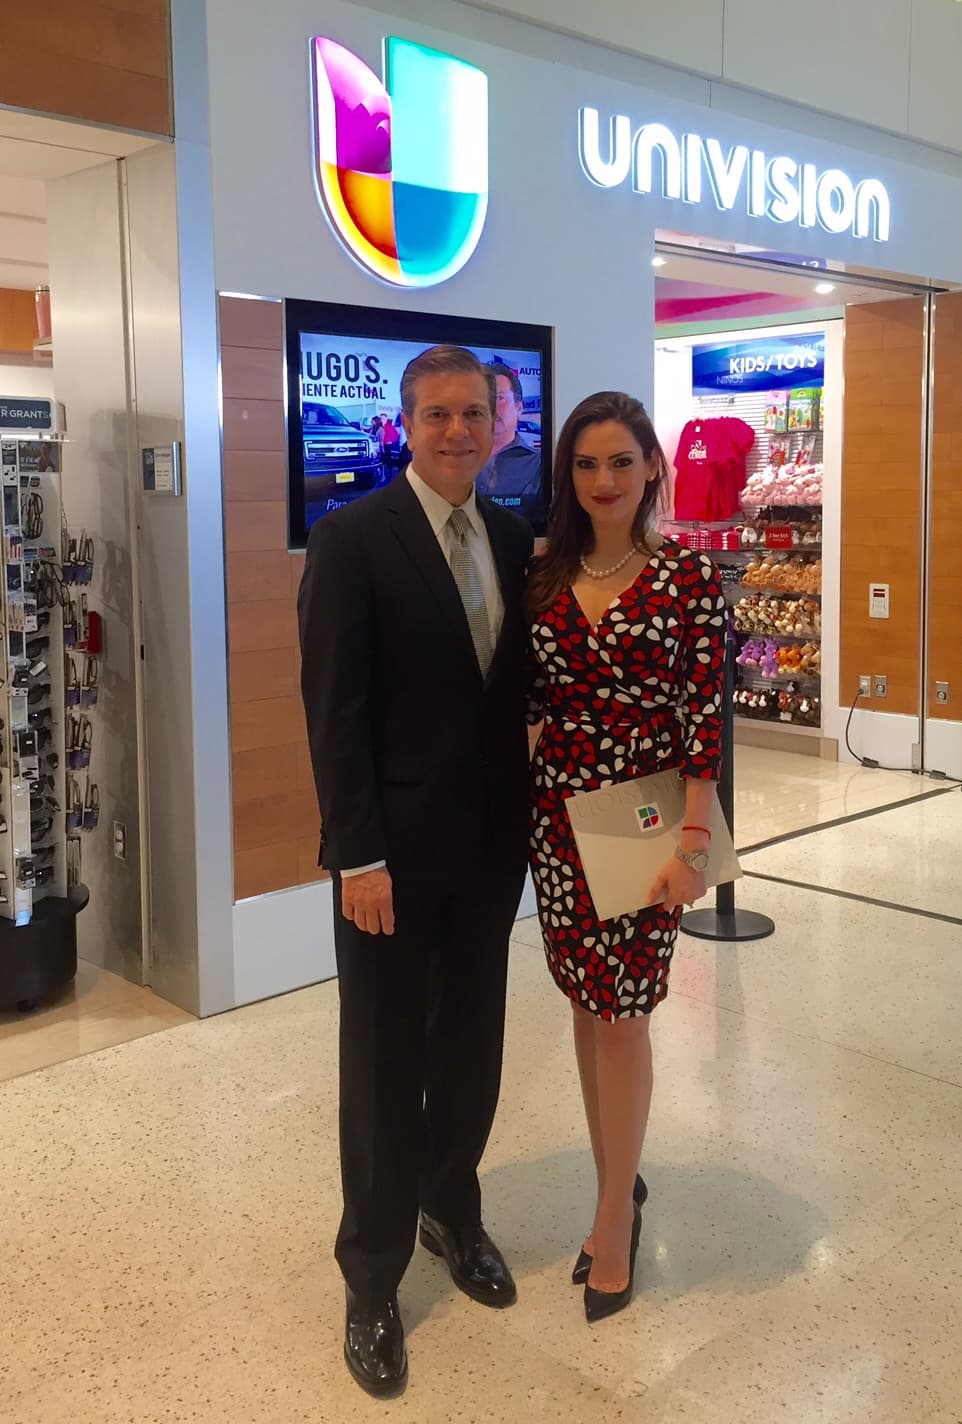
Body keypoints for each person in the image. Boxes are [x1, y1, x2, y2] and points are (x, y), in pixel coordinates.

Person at [298, 346, 534, 1397]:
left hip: (489, 851)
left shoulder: (515, 535)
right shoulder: (352, 540)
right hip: (385, 862)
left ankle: (453, 1207)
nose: (454, 430)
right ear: (405, 424)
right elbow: (333, 713)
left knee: (471, 1042)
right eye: (435, 413)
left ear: (496, 423)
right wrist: (356, 853)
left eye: (470, 413)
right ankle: (371, 1276)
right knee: (385, 1063)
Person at [526, 391, 727, 1324]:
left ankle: (612, 1220)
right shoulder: (543, 573)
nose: (604, 481)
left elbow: (702, 713)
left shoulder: (684, 577)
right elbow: (526, 697)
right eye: (586, 464)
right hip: (560, 819)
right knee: (584, 1001)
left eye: (621, 461)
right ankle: (621, 1180)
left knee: (624, 1015)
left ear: (652, 466)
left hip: (644, 815)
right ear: (567, 476)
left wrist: (696, 834)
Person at [475, 363, 543, 518]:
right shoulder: (455, 460)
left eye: (499, 398)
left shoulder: (539, 466)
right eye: (483, 400)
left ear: (519, 408)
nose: (490, 408)